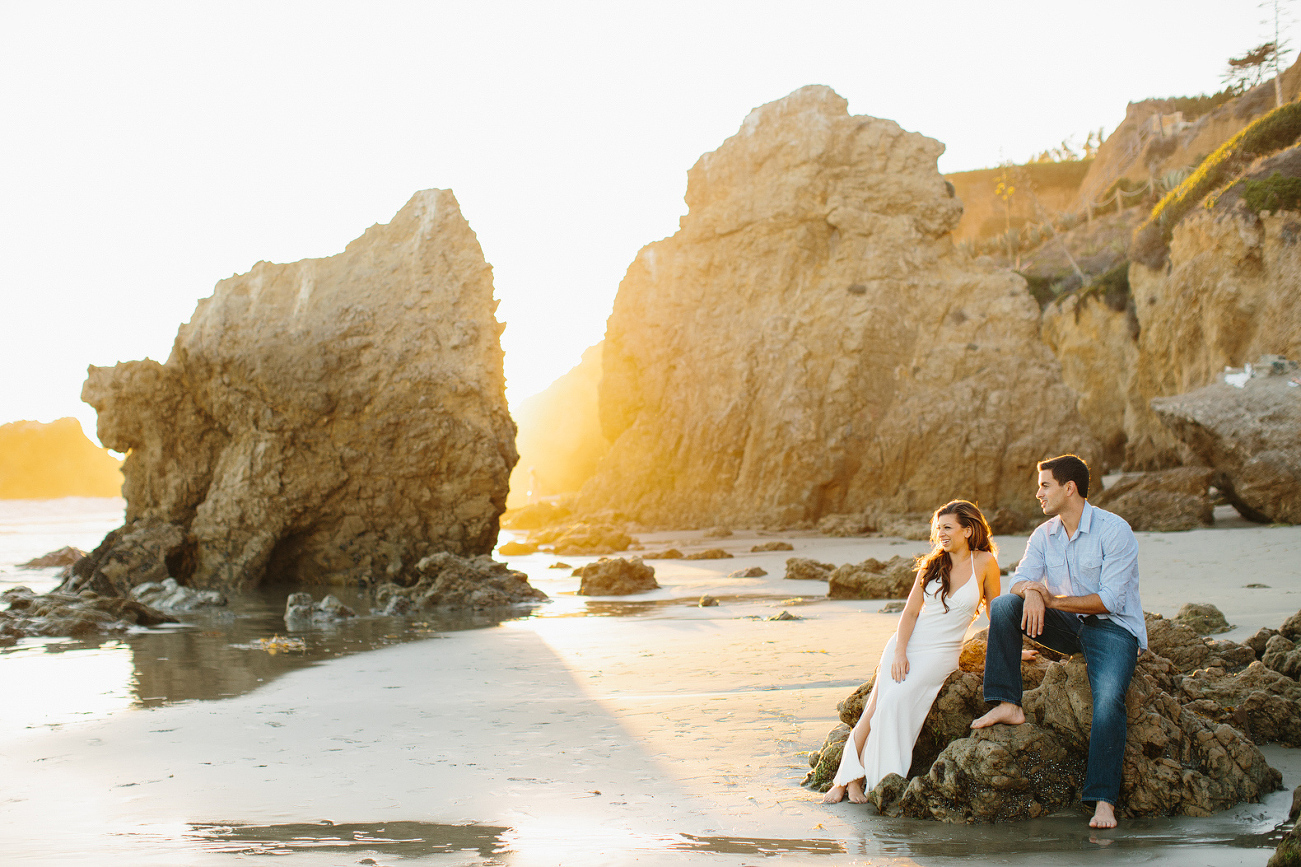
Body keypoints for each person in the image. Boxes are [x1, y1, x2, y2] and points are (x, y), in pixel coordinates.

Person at [970, 454, 1146, 830]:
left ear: (1070, 488)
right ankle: (1007, 702)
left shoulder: (1114, 531)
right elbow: (1020, 580)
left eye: (1045, 485)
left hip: (1113, 628)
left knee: (1110, 699)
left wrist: (1050, 599)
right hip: (1068, 626)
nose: (1038, 494)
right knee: (1004, 606)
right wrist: (1033, 590)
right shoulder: (1044, 534)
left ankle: (1103, 801)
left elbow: (1109, 600)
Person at [823, 500, 1003, 804]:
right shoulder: (932, 565)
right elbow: (909, 614)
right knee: (873, 710)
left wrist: (1011, 651)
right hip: (905, 646)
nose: (941, 534)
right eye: (938, 529)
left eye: (948, 528)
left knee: (893, 704)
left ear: (968, 530)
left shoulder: (985, 563)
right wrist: (899, 653)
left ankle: (872, 780)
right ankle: (849, 780)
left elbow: (996, 613)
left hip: (941, 654)